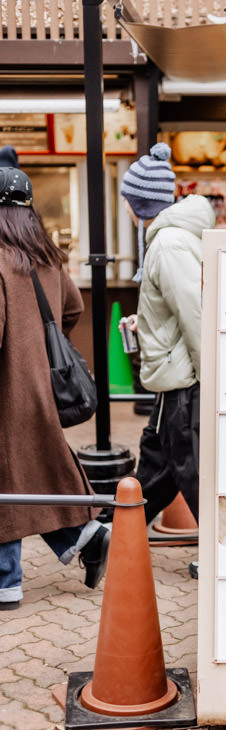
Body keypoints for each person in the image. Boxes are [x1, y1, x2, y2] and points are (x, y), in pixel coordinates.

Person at [0, 167, 111, 611]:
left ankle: (6, 579)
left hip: (7, 392)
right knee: (31, 472)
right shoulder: (47, 255)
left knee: (10, 476)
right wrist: (40, 356)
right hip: (40, 389)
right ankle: (86, 534)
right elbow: (73, 308)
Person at [120, 144, 216, 579]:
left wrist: (210, 374)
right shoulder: (170, 238)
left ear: (138, 202)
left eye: (127, 198)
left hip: (184, 378)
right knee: (159, 464)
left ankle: (222, 553)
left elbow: (195, 313)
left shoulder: (168, 244)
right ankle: (114, 539)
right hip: (174, 374)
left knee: (189, 468)